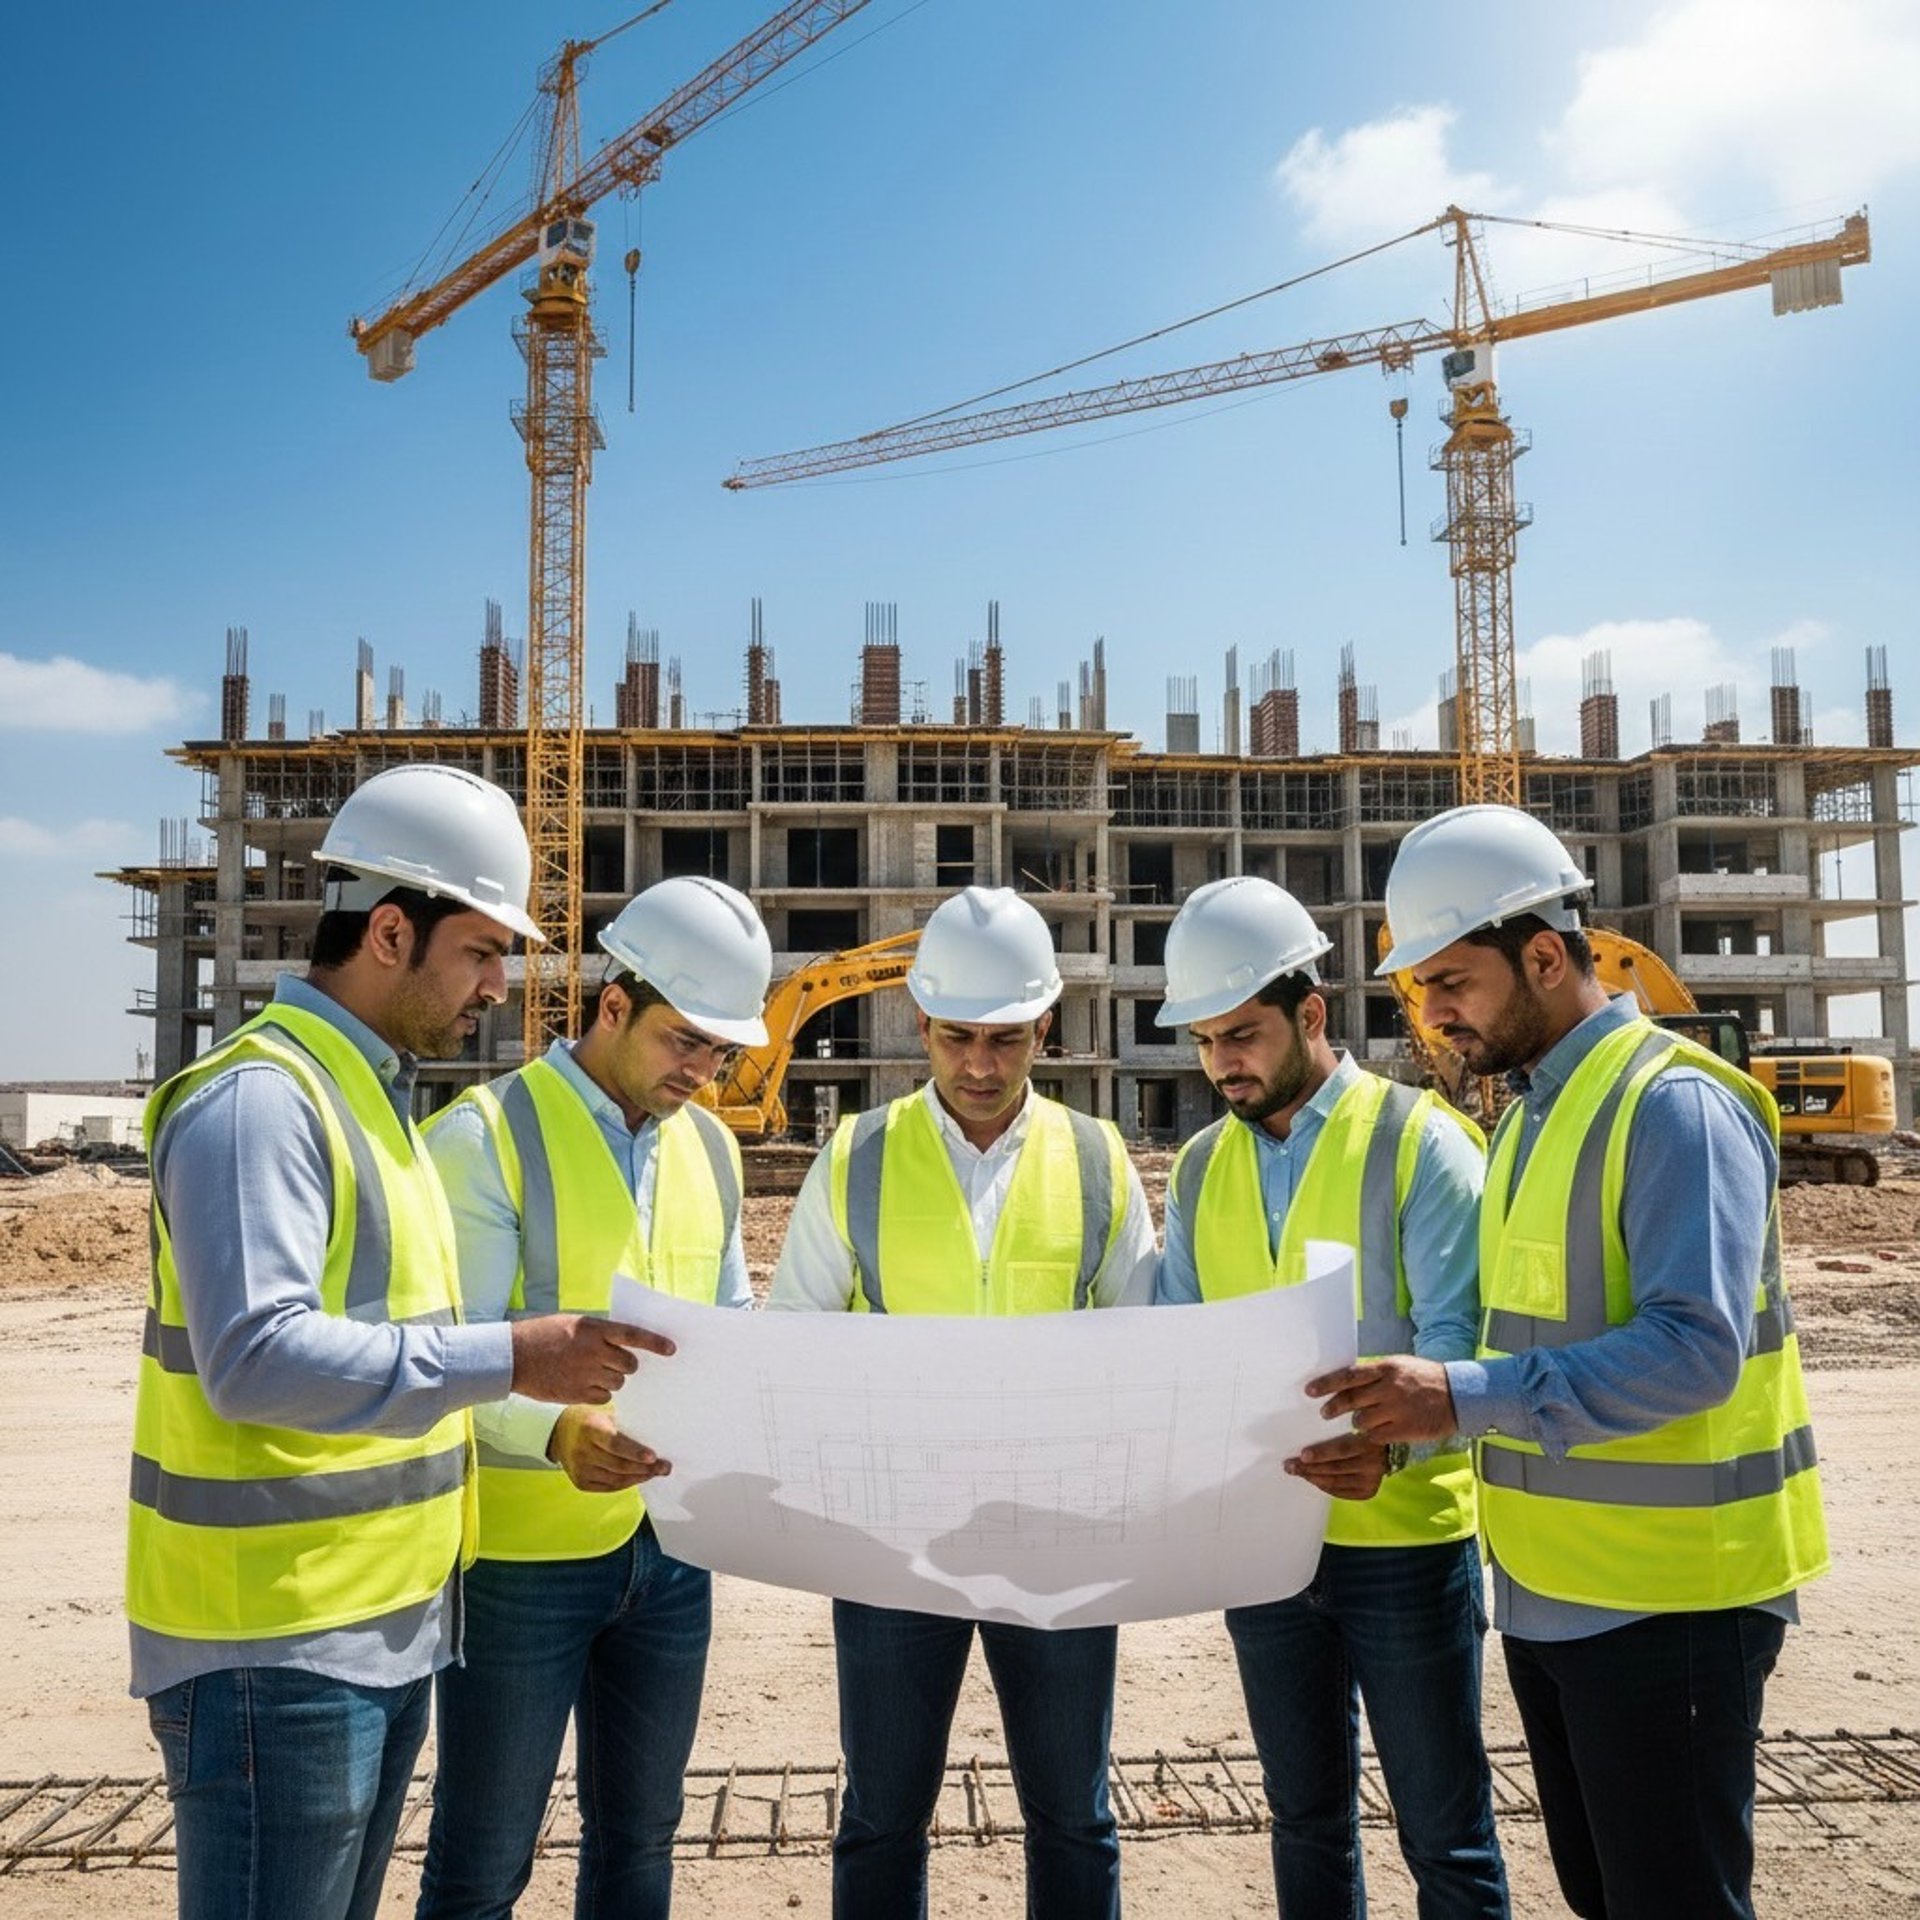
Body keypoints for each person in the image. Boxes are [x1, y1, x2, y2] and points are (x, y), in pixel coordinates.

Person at [127, 763, 667, 1920]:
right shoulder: (260, 1103)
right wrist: (517, 1358)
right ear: (388, 932)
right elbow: (255, 1358)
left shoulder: (378, 1107)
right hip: (272, 1645)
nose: (498, 985)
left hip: (374, 1635)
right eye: (479, 952)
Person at [1312, 803, 1829, 1920]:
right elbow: (1523, 1350)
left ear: (1543, 955)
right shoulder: (1533, 1119)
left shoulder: (1671, 1105)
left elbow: (1698, 1351)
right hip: (1555, 1596)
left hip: (1674, 1603)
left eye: (1450, 982)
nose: (1432, 1013)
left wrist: (1455, 1396)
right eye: (1419, 990)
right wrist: (1411, 1434)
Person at [769, 884, 1158, 1919]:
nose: (979, 1068)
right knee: (884, 1813)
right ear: (919, 1025)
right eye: (953, 1039)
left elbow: (1147, 1350)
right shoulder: (852, 1156)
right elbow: (792, 1342)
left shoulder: (1097, 1160)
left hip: (1060, 1544)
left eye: (1004, 1040)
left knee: (1073, 1815)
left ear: (1045, 1026)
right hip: (897, 1544)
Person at [416, 876, 773, 1920]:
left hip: (670, 1553)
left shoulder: (709, 1146)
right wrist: (562, 1429)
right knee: (483, 1859)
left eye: (718, 1053)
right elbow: (442, 1358)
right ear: (614, 1006)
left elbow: (727, 1318)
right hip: (521, 1564)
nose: (701, 1073)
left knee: (641, 1847)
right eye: (683, 1042)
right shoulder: (483, 1138)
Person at [1153, 875, 1509, 1919]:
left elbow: (1463, 1343)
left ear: (1309, 1014)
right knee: (1303, 1817)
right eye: (1207, 1041)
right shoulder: (1199, 1166)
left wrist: (1393, 1453)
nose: (1224, 1062)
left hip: (1405, 1542)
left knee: (1445, 1830)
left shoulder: (1421, 1140)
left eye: (1244, 1035)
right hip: (1265, 1549)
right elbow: (1184, 1344)